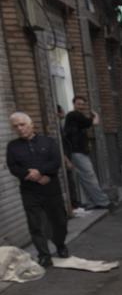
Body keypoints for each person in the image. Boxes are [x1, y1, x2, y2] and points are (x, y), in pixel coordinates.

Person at [6, 112, 69, 267]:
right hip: (29, 191)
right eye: (16, 126)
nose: (20, 128)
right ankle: (44, 255)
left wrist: (40, 172)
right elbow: (13, 167)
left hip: (51, 188)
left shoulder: (48, 142)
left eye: (22, 124)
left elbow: (55, 161)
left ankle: (60, 245)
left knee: (58, 220)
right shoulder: (12, 146)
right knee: (35, 224)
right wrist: (30, 174)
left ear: (31, 124)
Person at [63, 95, 112, 210]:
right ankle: (103, 202)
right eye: (78, 104)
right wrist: (96, 116)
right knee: (89, 176)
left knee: (85, 177)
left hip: (78, 151)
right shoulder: (74, 114)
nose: (81, 106)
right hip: (76, 151)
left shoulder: (75, 117)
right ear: (74, 104)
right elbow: (92, 123)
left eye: (82, 104)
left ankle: (92, 202)